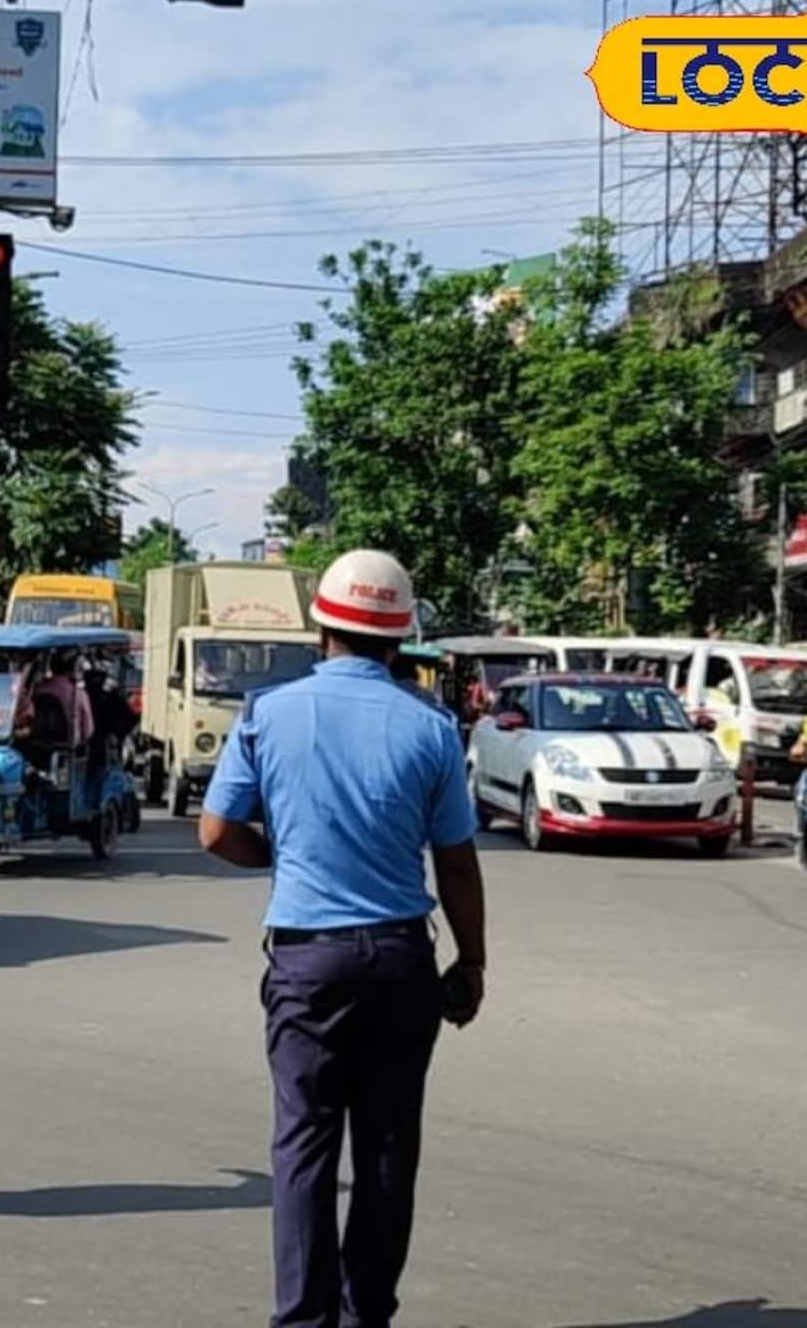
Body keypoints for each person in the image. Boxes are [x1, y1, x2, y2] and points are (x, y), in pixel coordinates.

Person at [197, 549, 487, 1328]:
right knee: (387, 1148)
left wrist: (283, 857)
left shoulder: (267, 713)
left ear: (320, 627)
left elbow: (216, 831)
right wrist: (473, 962)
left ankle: (302, 1320)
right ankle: (368, 1317)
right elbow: (457, 862)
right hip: (400, 960)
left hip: (307, 962)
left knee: (304, 1143)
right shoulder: (431, 727)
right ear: (399, 639)